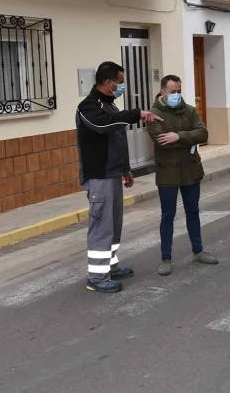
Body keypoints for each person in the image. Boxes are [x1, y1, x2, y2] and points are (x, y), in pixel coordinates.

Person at [76, 61, 162, 293]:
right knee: (101, 226)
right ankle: (96, 278)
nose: (121, 87)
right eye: (120, 82)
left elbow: (117, 141)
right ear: (108, 82)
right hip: (100, 176)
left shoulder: (109, 105)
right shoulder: (89, 107)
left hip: (113, 174)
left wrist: (125, 169)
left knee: (113, 225)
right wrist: (138, 114)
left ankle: (109, 267)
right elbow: (102, 126)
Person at [147, 75, 218, 276]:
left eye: (179, 91)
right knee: (167, 216)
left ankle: (198, 251)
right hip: (167, 171)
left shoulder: (189, 110)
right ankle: (166, 259)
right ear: (163, 92)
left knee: (193, 212)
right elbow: (161, 141)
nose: (177, 95)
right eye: (172, 91)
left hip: (190, 169)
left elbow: (203, 133)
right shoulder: (153, 114)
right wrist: (188, 137)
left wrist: (178, 136)